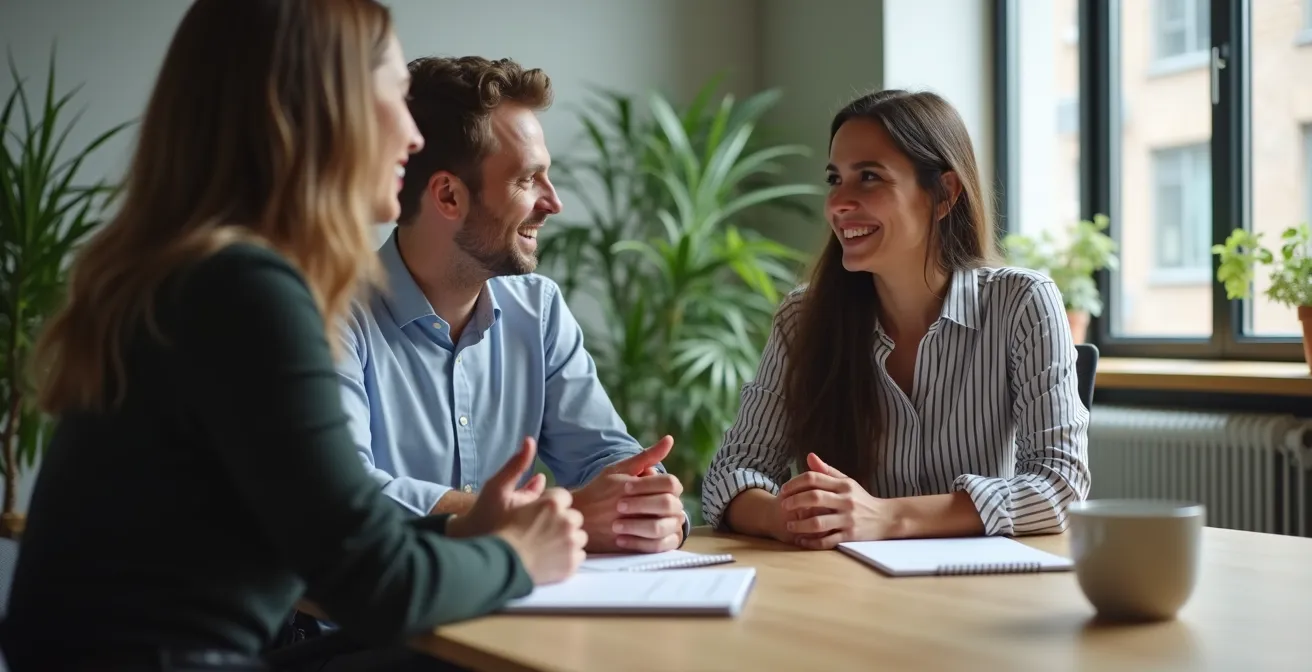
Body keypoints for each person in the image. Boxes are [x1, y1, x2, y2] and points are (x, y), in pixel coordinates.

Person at [0, 1, 586, 671]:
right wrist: (516, 556)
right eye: (394, 96)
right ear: (320, 112)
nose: (415, 138)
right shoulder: (245, 289)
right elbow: (373, 582)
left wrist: (460, 530)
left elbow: (331, 531)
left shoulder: (196, 272)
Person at [700, 89, 1091, 549]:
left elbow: (1060, 487)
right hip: (846, 591)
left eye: (868, 178)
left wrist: (885, 517)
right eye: (834, 179)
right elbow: (729, 474)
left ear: (944, 193)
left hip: (982, 595)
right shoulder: (802, 317)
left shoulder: (1023, 302)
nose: (838, 204)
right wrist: (781, 517)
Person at [337, 55, 689, 554]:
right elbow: (349, 493)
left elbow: (603, 455)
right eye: (528, 179)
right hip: (374, 624)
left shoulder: (538, 309)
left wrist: (647, 499)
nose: (554, 202)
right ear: (448, 196)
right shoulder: (334, 311)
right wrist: (537, 516)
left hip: (511, 613)